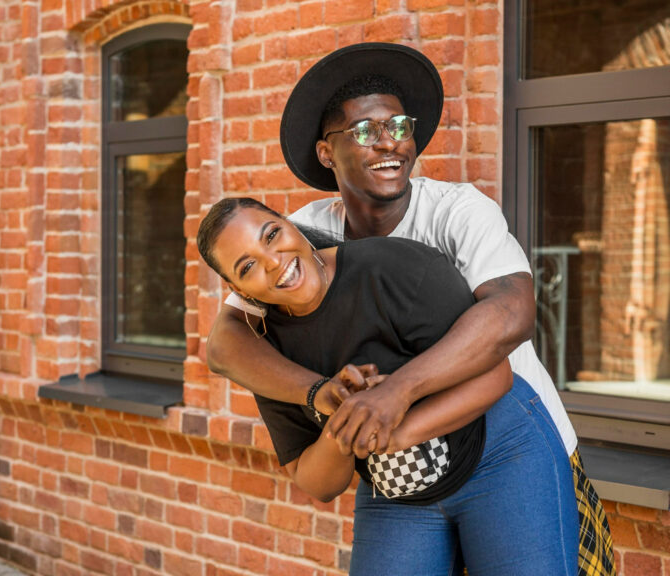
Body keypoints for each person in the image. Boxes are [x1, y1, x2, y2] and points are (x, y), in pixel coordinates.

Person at [204, 43, 614, 575]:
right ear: (327, 154)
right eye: (365, 132)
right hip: (399, 471)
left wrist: (395, 395)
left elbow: (510, 316)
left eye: (398, 126)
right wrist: (321, 398)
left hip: (498, 435)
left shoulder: (457, 212)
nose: (389, 144)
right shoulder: (301, 237)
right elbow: (225, 342)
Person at [197, 197, 578, 574]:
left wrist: (393, 424)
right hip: (397, 488)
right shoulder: (266, 355)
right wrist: (342, 424)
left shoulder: (393, 266)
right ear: (239, 291)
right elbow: (318, 483)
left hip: (500, 449)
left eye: (271, 235)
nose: (273, 261)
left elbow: (498, 375)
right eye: (248, 266)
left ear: (290, 223)